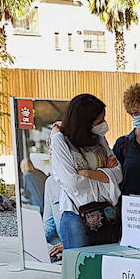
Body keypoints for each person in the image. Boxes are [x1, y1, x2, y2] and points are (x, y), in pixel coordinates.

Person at [51, 92, 123, 250]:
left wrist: (88, 173)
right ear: (85, 122)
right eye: (99, 121)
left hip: (106, 214)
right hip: (77, 216)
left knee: (105, 261)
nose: (103, 124)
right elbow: (72, 183)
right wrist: (104, 173)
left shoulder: (99, 138)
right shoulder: (60, 141)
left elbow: (118, 173)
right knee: (80, 263)